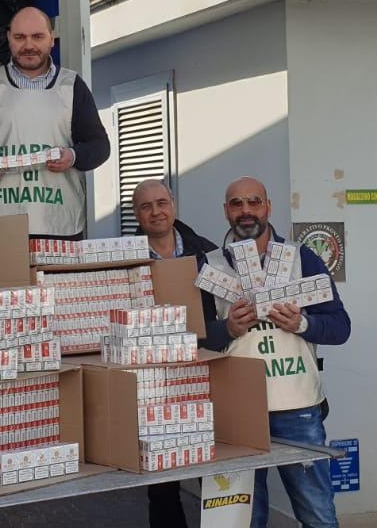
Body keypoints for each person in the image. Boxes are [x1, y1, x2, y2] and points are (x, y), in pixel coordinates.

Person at [200, 177, 351, 528]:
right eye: (236, 204)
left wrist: (301, 324)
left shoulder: (303, 259)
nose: (246, 211)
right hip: (236, 411)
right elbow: (193, 336)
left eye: (254, 202)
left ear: (268, 206)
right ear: (226, 212)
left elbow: (341, 327)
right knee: (242, 517)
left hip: (296, 408)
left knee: (317, 513)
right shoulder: (210, 267)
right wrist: (228, 329)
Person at [0, 6, 110, 238]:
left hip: (60, 225)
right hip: (1, 225)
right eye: (19, 37)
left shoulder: (72, 86)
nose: (28, 46)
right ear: (9, 39)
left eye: (37, 36)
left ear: (51, 39)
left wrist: (73, 156)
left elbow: (100, 146)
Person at [131, 178, 219, 528]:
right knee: (161, 476)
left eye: (161, 203)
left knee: (213, 470)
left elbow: (222, 312)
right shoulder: (125, 257)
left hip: (203, 371)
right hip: (152, 379)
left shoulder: (207, 254)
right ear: (137, 215)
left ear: (173, 205)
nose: (156, 212)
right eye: (146, 206)